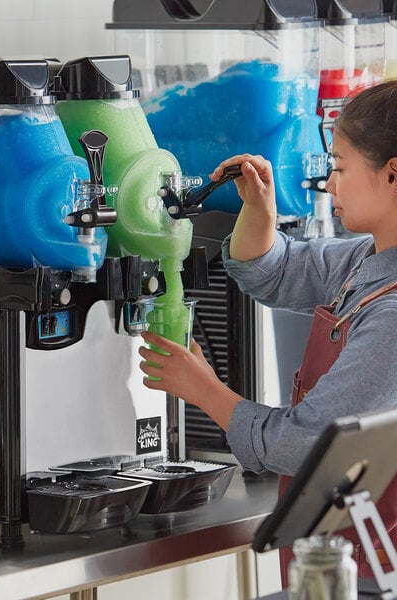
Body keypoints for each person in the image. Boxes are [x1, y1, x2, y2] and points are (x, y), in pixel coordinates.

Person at [138, 79, 397, 580]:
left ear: (392, 176)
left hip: (368, 564)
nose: (329, 184)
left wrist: (204, 391)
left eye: (340, 168)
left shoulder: (392, 313)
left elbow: (309, 447)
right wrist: (259, 208)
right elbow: (274, 271)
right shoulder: (368, 260)